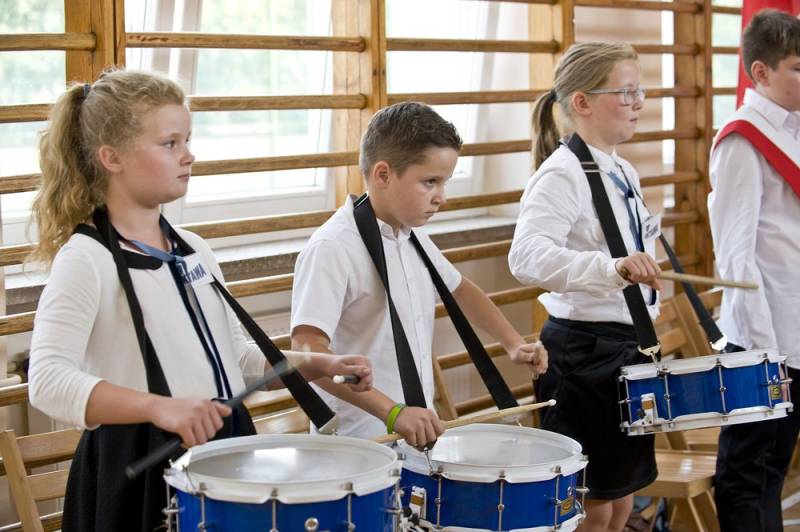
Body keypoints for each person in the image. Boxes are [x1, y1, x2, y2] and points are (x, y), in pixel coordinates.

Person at [26, 69, 373, 532]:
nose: (188, 155)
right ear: (112, 157)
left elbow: (238, 361)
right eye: (169, 143)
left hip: (223, 450)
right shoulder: (86, 259)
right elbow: (47, 381)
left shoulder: (194, 249)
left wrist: (316, 365)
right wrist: (158, 406)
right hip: (140, 469)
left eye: (187, 140)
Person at [290, 101, 547, 446]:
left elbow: (461, 290)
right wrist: (392, 412)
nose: (442, 198)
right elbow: (307, 354)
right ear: (383, 175)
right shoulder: (332, 247)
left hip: (412, 430)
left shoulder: (410, 235)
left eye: (444, 183)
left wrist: (513, 343)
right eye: (430, 182)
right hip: (358, 442)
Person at [509, 42, 662, 532]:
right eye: (626, 92)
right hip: (583, 356)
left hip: (627, 348)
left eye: (639, 92)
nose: (638, 103)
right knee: (591, 510)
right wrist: (612, 268)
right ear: (582, 102)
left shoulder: (621, 169)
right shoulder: (561, 175)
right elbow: (526, 257)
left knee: (620, 504)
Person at [708, 10, 800, 531]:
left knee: (773, 471)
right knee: (748, 475)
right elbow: (735, 257)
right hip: (764, 341)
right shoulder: (743, 139)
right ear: (761, 72)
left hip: (795, 336)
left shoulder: (793, 128)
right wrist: (765, 356)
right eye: (798, 69)